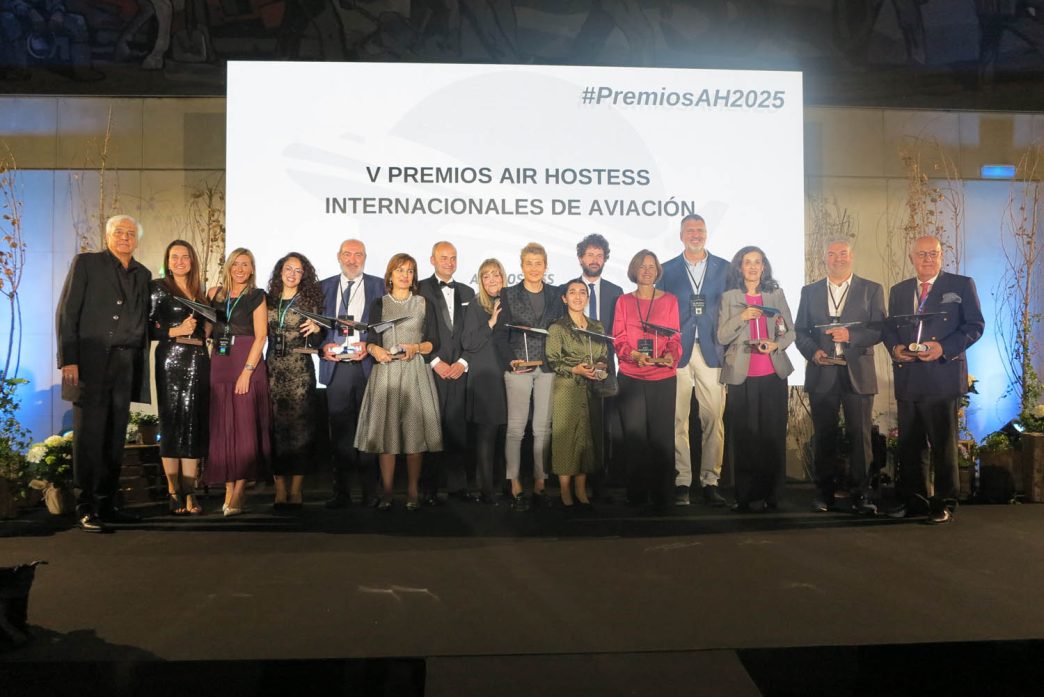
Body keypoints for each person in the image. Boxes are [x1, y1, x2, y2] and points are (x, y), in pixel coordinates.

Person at [57, 214, 151, 533]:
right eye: (119, 232)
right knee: (89, 437)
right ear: (108, 235)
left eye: (130, 233)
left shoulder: (143, 274)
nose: (125, 237)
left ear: (137, 240)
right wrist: (69, 359)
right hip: (90, 363)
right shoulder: (87, 264)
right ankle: (85, 507)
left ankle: (107, 504)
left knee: (114, 437)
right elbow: (67, 312)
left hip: (125, 364)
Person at [882, 236, 984, 524]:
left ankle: (944, 503)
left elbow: (975, 326)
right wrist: (895, 348)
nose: (928, 259)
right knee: (910, 446)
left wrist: (944, 348)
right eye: (922, 254)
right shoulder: (899, 290)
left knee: (944, 445)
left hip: (942, 374)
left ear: (941, 256)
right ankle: (915, 501)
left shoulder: (961, 285)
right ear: (912, 258)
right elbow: (890, 328)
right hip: (909, 377)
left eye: (933, 254)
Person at [795, 239, 885, 515]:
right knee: (824, 436)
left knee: (860, 437)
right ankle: (824, 494)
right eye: (832, 254)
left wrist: (851, 336)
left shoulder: (871, 289)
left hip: (858, 372)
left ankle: (862, 495)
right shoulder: (809, 291)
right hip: (822, 371)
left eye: (843, 253)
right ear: (825, 259)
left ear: (852, 256)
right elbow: (800, 332)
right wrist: (813, 352)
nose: (838, 258)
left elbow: (879, 329)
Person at [355, 253, 443, 511]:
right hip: (386, 373)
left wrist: (416, 347)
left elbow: (434, 342)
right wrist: (375, 350)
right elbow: (370, 340)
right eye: (400, 270)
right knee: (387, 436)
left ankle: (413, 491)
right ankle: (387, 492)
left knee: (415, 436)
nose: (405, 275)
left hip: (414, 372)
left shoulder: (423, 303)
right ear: (390, 275)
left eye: (410, 271)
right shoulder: (379, 304)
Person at [657, 214, 730, 507]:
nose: (695, 234)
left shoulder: (726, 268)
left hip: (713, 351)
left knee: (713, 418)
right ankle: (682, 481)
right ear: (681, 235)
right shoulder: (666, 270)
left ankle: (711, 481)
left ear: (707, 234)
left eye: (700, 230)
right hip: (677, 352)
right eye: (690, 230)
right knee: (678, 419)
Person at [717, 246, 795, 513]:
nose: (752, 267)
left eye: (757, 262)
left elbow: (790, 331)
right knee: (745, 438)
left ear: (764, 267)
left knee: (772, 436)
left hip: (773, 374)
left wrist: (776, 344)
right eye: (747, 262)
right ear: (739, 267)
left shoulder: (776, 294)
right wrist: (742, 317)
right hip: (742, 376)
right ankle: (746, 497)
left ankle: (774, 495)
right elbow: (722, 336)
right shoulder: (729, 297)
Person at [495, 242, 564, 511]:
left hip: (547, 367)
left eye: (538, 263)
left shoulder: (557, 294)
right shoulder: (509, 294)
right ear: (521, 266)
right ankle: (514, 484)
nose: (534, 268)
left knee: (542, 429)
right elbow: (500, 334)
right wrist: (510, 361)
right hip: (519, 367)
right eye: (529, 263)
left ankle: (540, 483)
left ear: (546, 266)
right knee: (516, 428)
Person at [612, 251, 681, 511]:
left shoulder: (670, 301)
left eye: (652, 266)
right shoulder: (623, 301)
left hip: (662, 377)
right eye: (642, 266)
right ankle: (637, 495)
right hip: (631, 375)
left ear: (658, 271)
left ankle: (663, 495)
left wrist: (669, 356)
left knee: (662, 438)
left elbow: (674, 339)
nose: (647, 270)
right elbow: (619, 338)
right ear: (634, 270)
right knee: (635, 438)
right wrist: (634, 355)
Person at [319, 239, 385, 509]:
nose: (352, 259)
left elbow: (385, 327)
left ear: (365, 258)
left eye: (358, 254)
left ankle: (371, 492)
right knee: (340, 434)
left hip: (367, 367)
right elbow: (314, 328)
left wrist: (368, 345)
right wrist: (323, 347)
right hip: (337, 369)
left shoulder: (379, 286)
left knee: (369, 431)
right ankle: (342, 492)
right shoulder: (323, 287)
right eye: (347, 254)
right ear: (338, 256)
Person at [206, 248, 271, 517]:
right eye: (236, 264)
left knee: (245, 428)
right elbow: (208, 329)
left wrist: (247, 371)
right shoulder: (214, 294)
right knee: (224, 427)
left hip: (247, 363)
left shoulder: (257, 296)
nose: (240, 269)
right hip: (220, 361)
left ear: (252, 269)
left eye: (245, 264)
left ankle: (240, 489)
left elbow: (261, 336)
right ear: (229, 267)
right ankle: (228, 488)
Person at [149, 239, 209, 516]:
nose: (180, 261)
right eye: (175, 256)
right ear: (168, 261)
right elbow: (145, 327)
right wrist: (175, 330)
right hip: (170, 361)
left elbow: (206, 327)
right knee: (172, 423)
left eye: (185, 256)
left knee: (192, 424)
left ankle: (190, 490)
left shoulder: (199, 291)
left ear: (192, 260)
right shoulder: (159, 288)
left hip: (198, 360)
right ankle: (174, 491)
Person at [417, 241, 477, 504]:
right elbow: (415, 330)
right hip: (431, 369)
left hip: (460, 370)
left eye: (453, 258)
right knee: (431, 429)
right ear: (432, 260)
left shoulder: (468, 291)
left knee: (457, 429)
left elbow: (474, 332)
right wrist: (434, 361)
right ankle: (428, 489)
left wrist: (463, 362)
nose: (449, 262)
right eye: (443, 257)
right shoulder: (419, 289)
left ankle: (458, 486)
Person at [265, 252, 324, 510]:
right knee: (275, 431)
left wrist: (318, 330)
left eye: (298, 271)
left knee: (301, 430)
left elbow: (319, 341)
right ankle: (279, 489)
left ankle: (296, 489)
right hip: (272, 371)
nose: (292, 274)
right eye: (288, 268)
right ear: (280, 271)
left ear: (304, 275)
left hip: (300, 371)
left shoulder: (309, 301)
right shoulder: (268, 300)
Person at [545, 279, 609, 509]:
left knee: (586, 439)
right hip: (566, 388)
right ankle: (565, 490)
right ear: (564, 298)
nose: (578, 296)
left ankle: (581, 490)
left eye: (582, 292)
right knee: (565, 438)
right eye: (572, 292)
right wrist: (576, 369)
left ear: (588, 298)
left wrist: (598, 369)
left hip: (591, 389)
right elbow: (553, 360)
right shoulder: (557, 327)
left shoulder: (597, 327)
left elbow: (604, 355)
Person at [572, 233, 623, 501]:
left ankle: (600, 484)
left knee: (604, 429)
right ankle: (577, 484)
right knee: (578, 427)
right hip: (576, 367)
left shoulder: (616, 292)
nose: (594, 260)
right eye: (589, 255)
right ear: (581, 258)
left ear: (605, 259)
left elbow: (618, 332)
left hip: (605, 368)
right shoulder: (568, 289)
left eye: (599, 255)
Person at [461, 258, 510, 503]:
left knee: (506, 436)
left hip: (508, 375)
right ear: (480, 281)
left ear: (503, 277)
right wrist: (490, 323)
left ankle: (505, 487)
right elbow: (468, 342)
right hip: (485, 377)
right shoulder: (475, 306)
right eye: (486, 276)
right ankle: (486, 490)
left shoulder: (510, 303)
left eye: (496, 274)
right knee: (487, 435)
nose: (492, 280)